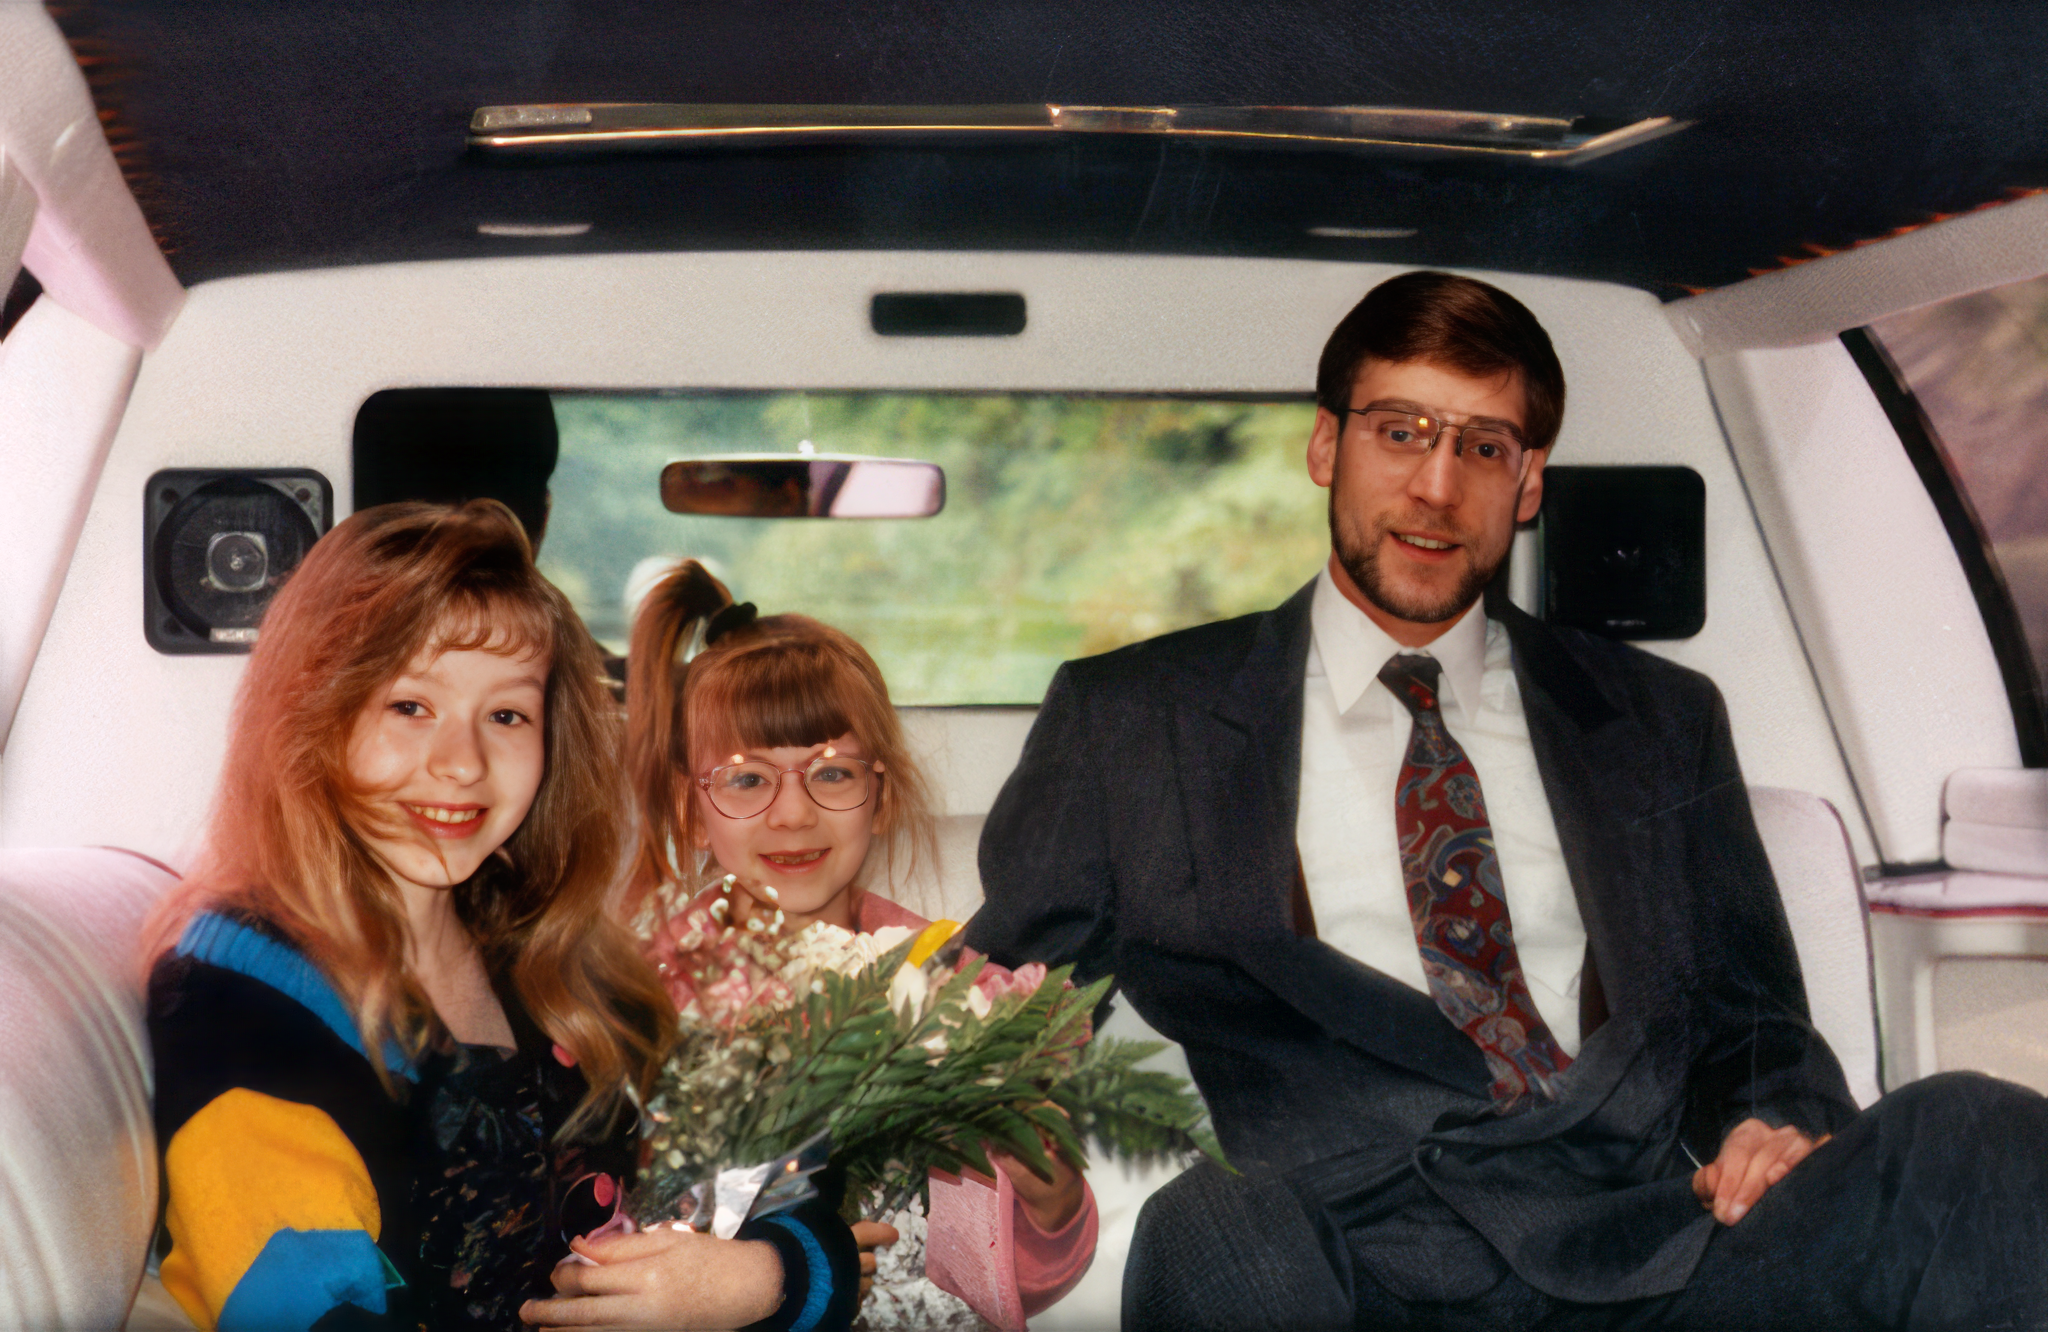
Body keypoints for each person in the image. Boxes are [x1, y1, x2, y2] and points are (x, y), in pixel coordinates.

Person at [967, 270, 2048, 1330]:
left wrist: (1777, 1122)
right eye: (1398, 432)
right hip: (1344, 1258)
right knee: (1210, 1225)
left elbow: (1752, 1027)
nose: (1436, 489)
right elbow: (993, 1017)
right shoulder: (1133, 719)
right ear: (1323, 446)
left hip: (1655, 1253)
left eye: (1481, 447)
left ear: (1527, 483)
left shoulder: (1658, 721)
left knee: (1972, 1132)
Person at [143, 500, 858, 1332]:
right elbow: (304, 1307)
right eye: (410, 706)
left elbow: (787, 1174)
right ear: (312, 714)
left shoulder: (545, 953)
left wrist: (759, 1278)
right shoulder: (245, 1007)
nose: (462, 763)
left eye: (507, 715)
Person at [585, 558, 1098, 1328]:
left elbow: (1013, 1271)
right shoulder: (635, 995)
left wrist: (1050, 1199)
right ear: (691, 813)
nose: (793, 815)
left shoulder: (956, 986)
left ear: (880, 797)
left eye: (830, 774)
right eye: (747, 780)